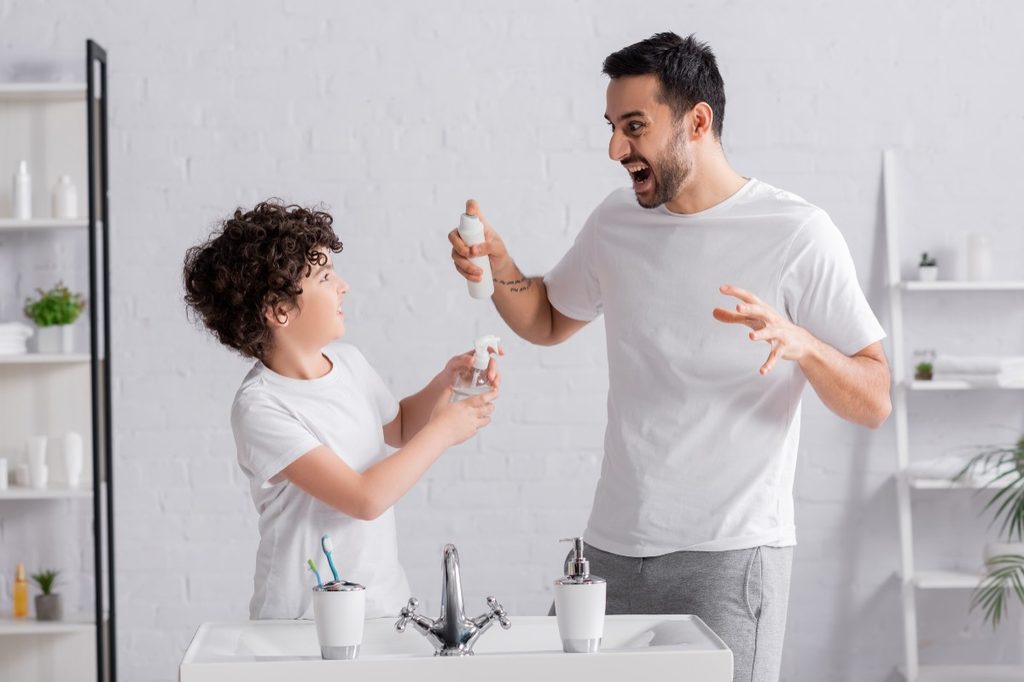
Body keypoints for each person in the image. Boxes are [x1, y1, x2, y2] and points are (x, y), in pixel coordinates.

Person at [447, 33, 890, 682]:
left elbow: (875, 398)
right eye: (612, 127)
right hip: (610, 552)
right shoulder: (616, 223)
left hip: (730, 558)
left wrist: (806, 345)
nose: (616, 149)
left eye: (635, 127)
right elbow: (545, 318)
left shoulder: (796, 233)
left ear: (698, 122)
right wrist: (502, 265)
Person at [183, 199, 500, 619]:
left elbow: (401, 426)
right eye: (325, 276)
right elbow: (363, 499)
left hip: (382, 608)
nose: (343, 285)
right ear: (280, 310)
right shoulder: (261, 407)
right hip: (304, 622)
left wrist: (446, 383)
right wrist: (443, 431)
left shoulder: (347, 361)